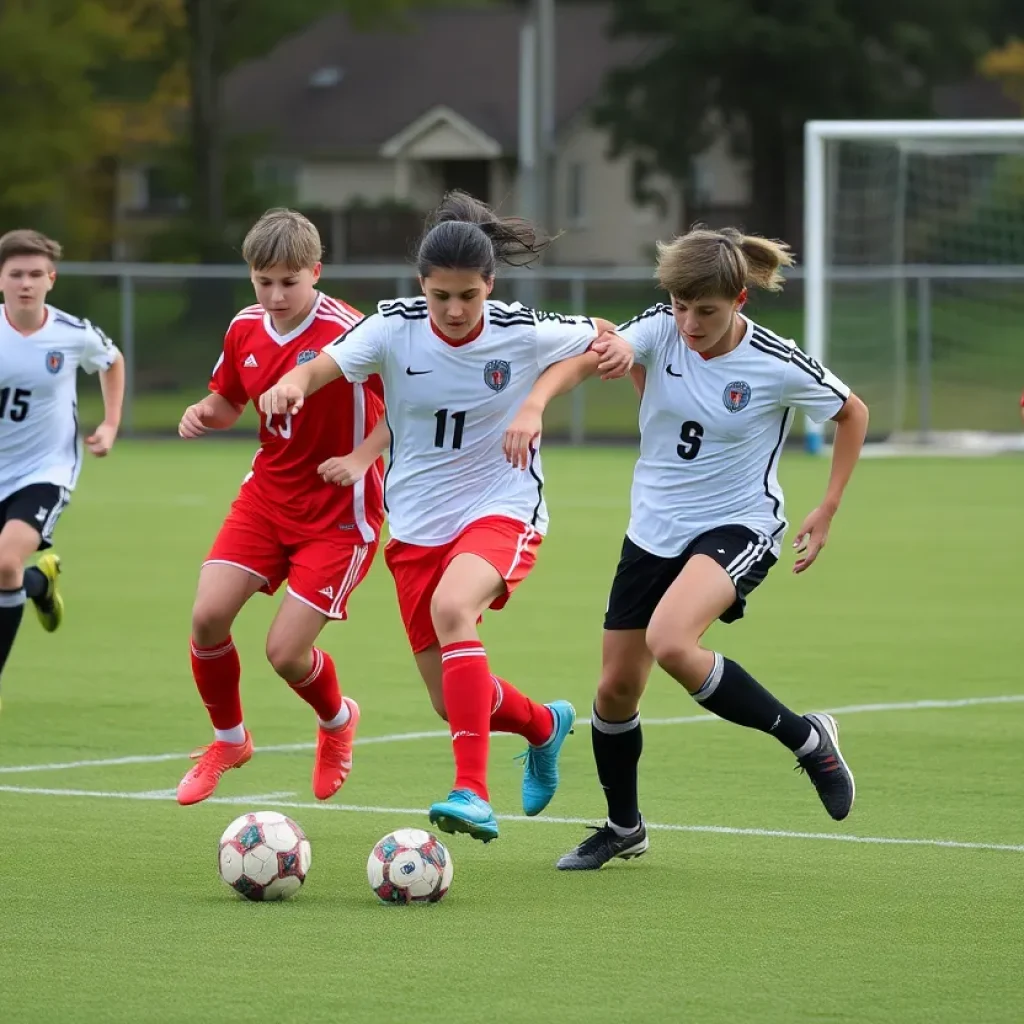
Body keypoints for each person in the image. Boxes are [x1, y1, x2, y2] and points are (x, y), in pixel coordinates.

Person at [259, 191, 633, 842]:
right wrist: (295, 383)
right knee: (449, 700)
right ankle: (544, 726)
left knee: (454, 610)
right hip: (416, 526)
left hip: (501, 505)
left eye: (469, 296)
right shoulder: (391, 326)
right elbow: (325, 364)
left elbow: (602, 334)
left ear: (489, 285)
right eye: (442, 297)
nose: (456, 311)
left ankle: (472, 793)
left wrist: (536, 401)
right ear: (421, 287)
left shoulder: (519, 330)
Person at [554, 225, 870, 871]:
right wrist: (610, 355)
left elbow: (852, 412)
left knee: (672, 641)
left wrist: (828, 505)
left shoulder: (776, 362)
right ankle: (623, 827)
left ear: (739, 302)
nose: (689, 323)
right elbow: (619, 341)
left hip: (738, 523)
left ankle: (809, 740)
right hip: (653, 528)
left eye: (706, 310)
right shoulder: (662, 326)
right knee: (616, 688)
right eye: (680, 306)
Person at [175, 209, 390, 806]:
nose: (275, 295)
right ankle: (230, 740)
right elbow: (227, 401)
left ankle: (336, 721)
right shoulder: (244, 327)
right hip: (267, 498)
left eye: (289, 282)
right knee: (207, 617)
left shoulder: (353, 330)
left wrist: (361, 457)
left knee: (285, 654)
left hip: (339, 516)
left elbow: (411, 406)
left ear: (315, 272)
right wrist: (204, 413)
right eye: (262, 281)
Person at [0, 229, 124, 707]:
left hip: (44, 470)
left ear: (51, 279)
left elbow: (112, 363)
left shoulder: (71, 334)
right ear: (2, 280)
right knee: (8, 575)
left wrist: (110, 425)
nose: (26, 283)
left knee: (5, 560)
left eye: (35, 274)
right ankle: (39, 583)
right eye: (16, 274)